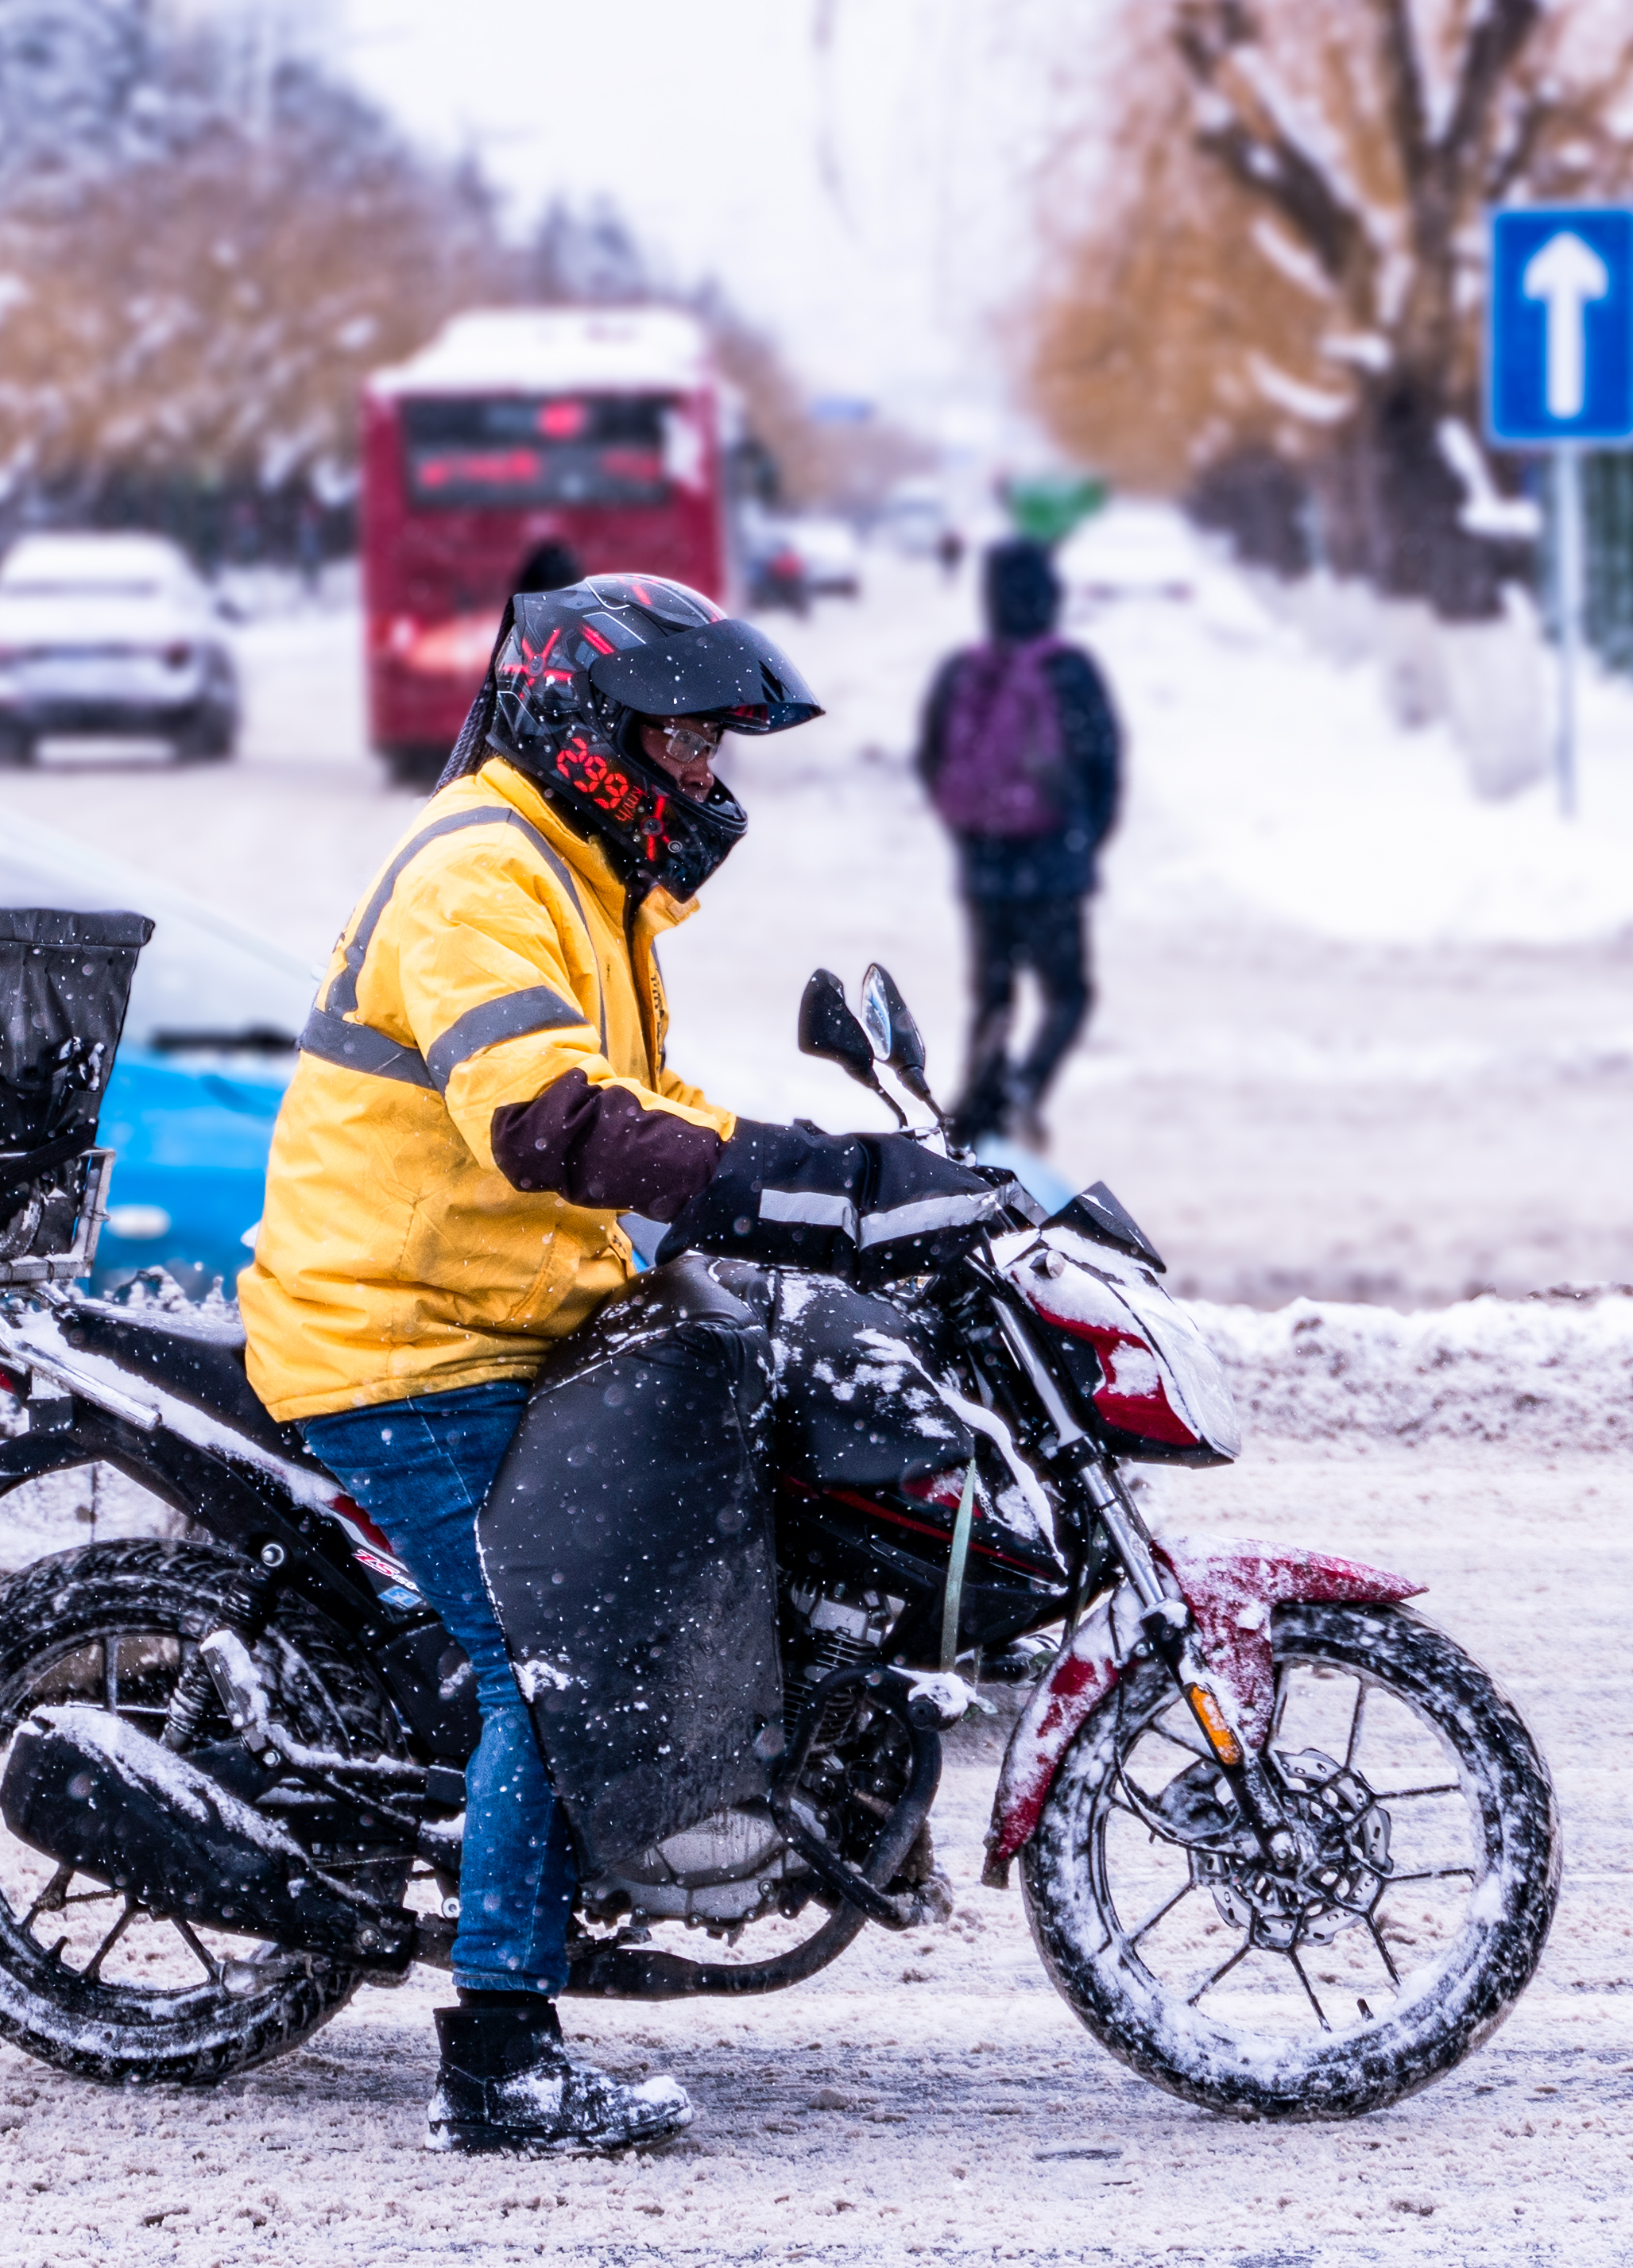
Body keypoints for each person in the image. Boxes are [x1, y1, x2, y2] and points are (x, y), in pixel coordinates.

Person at [239, 572, 997, 2157]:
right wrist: (808, 1187)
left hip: (506, 1312)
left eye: (721, 748)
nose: (709, 781)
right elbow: (549, 1120)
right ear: (595, 732)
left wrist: (816, 1176)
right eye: (689, 745)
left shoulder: (585, 877)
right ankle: (499, 2057)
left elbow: (645, 1113)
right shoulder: (479, 870)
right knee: (547, 1659)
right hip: (403, 1340)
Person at [915, 538, 1124, 1150]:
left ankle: (975, 1111)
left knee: (993, 992)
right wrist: (1082, 840)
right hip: (1053, 863)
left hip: (985, 862)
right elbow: (1103, 768)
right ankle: (1025, 1088)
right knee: (1069, 993)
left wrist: (973, 834)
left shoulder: (963, 671)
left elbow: (931, 761)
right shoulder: (1067, 671)